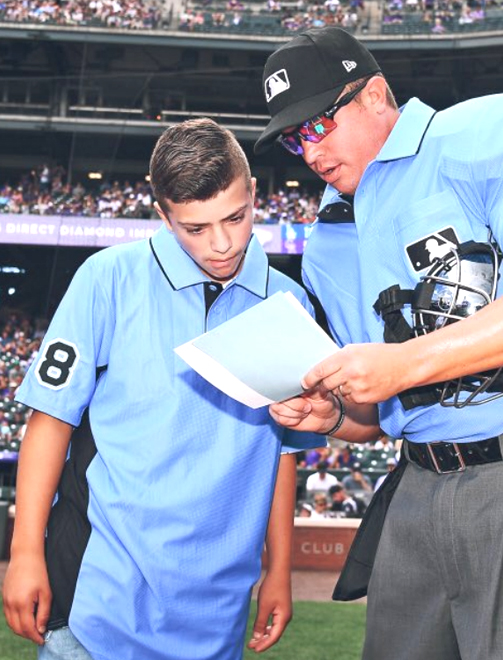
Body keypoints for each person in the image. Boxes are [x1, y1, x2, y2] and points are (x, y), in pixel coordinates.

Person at [256, 27, 503, 658]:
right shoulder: (327, 235)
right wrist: (331, 416)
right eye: (294, 138)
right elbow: (379, 412)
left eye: (318, 125)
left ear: (375, 94)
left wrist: (403, 363)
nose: (308, 150)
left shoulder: (492, 129)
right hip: (416, 483)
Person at [0, 118, 323, 659]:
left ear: (254, 194)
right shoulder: (107, 278)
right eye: (195, 228)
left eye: (236, 218)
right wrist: (25, 550)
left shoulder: (288, 304)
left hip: (216, 613)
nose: (221, 243)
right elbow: (50, 419)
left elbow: (282, 452)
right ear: (163, 216)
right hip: (96, 600)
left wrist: (279, 570)